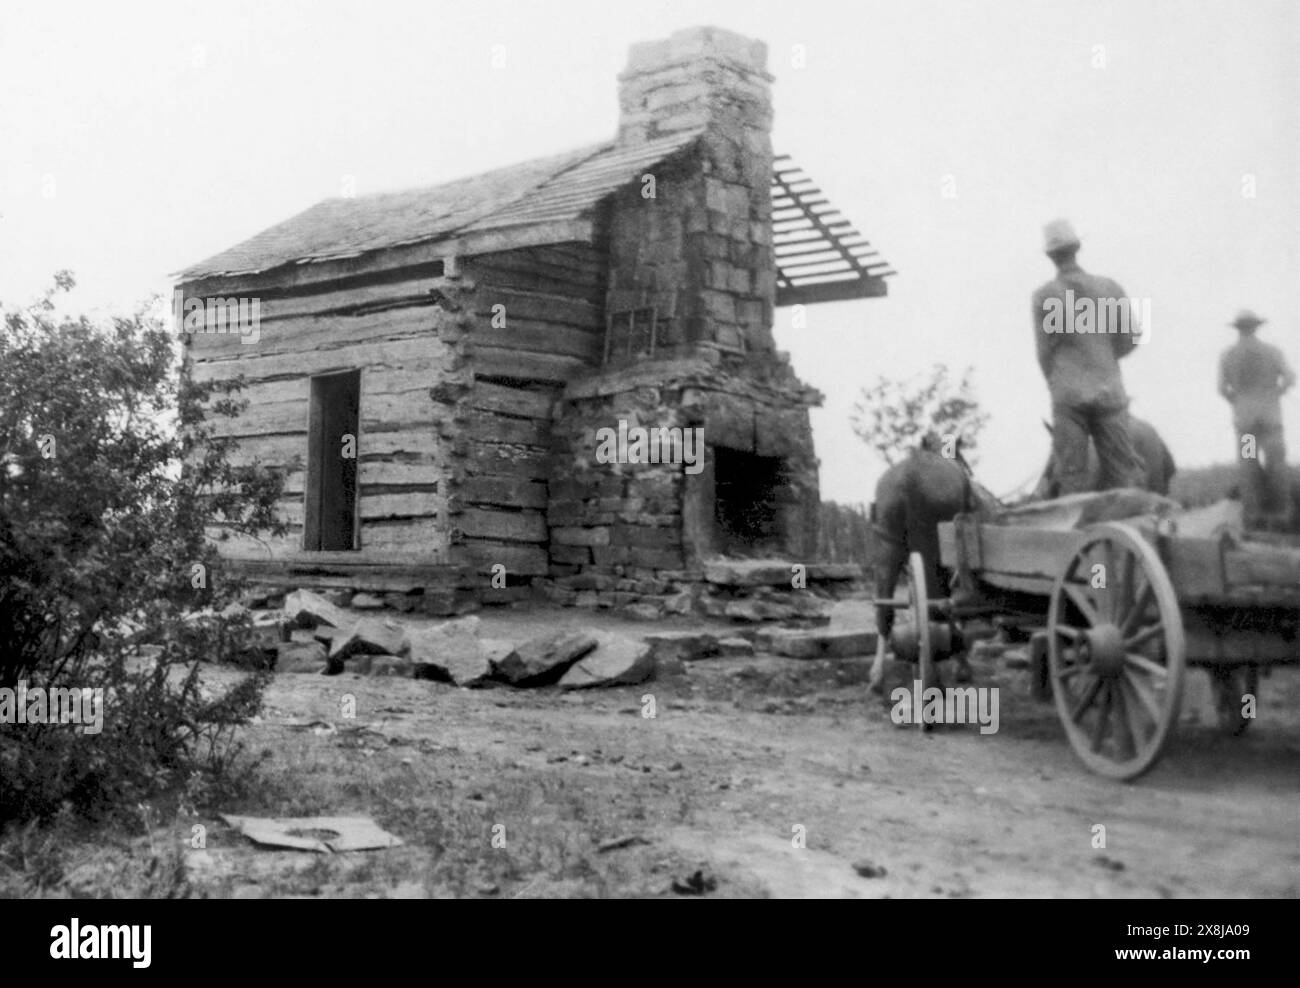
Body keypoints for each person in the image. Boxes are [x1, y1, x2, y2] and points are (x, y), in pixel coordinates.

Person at [1031, 219, 1145, 494]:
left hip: (1068, 395)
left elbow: (1044, 353)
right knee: (1123, 475)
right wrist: (1104, 356)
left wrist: (1058, 380)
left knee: (1072, 478)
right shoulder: (1111, 288)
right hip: (1110, 391)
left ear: (1050, 256)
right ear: (1078, 247)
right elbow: (1131, 339)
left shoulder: (1045, 296)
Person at [1218, 309, 1295, 528]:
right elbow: (1290, 377)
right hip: (1271, 420)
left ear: (1238, 329)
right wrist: (1276, 393)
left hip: (1245, 424)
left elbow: (1221, 389)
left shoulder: (1227, 355)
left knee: (1248, 465)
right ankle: (1280, 516)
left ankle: (1254, 517)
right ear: (1256, 327)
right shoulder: (1273, 352)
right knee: (1276, 464)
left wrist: (1238, 401)